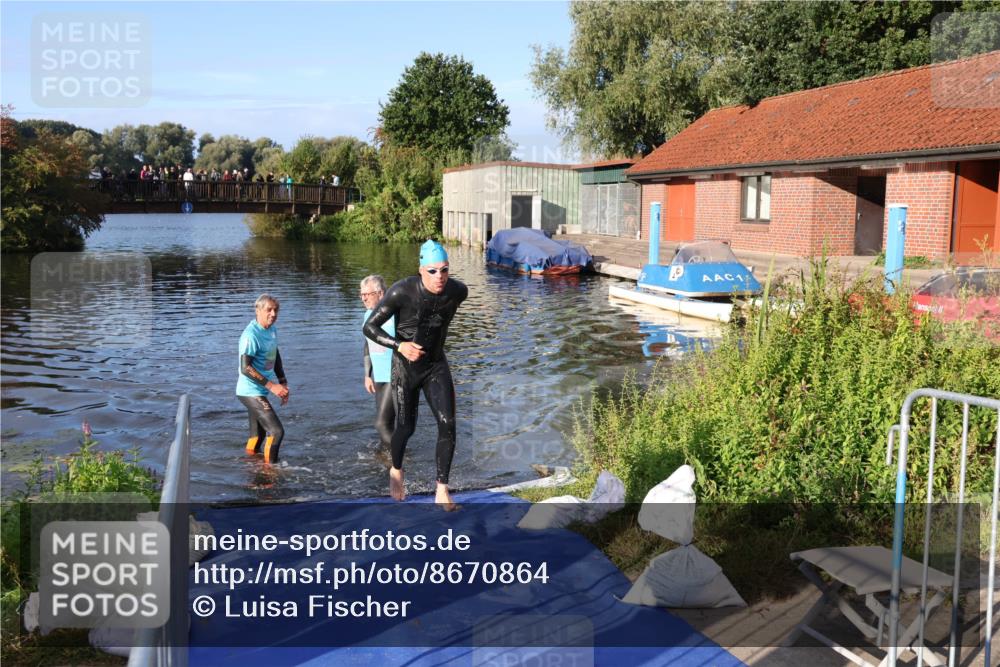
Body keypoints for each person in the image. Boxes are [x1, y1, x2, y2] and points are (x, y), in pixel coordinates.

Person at [363, 240, 467, 508]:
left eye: (444, 270)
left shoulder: (458, 292)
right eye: (432, 271)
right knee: (406, 427)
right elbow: (370, 327)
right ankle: (396, 469)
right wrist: (400, 345)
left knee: (448, 423)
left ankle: (441, 489)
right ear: (421, 270)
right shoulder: (401, 291)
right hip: (405, 367)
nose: (440, 276)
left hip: (435, 365)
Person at [237, 294, 290, 464]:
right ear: (258, 311)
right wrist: (272, 386)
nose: (273, 314)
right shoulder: (250, 335)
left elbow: (275, 354)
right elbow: (246, 368)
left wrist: (282, 381)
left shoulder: (271, 330)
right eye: (269, 310)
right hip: (250, 391)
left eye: (276, 310)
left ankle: (251, 461)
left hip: (260, 390)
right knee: (276, 432)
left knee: (258, 436)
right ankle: (269, 471)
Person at [360, 275, 395, 454]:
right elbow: (367, 345)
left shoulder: (395, 315)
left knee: (381, 423)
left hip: (396, 376)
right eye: (362, 295)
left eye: (368, 294)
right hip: (379, 377)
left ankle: (399, 461)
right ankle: (385, 457)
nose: (364, 298)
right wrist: (367, 375)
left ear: (380, 293)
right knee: (386, 423)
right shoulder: (368, 315)